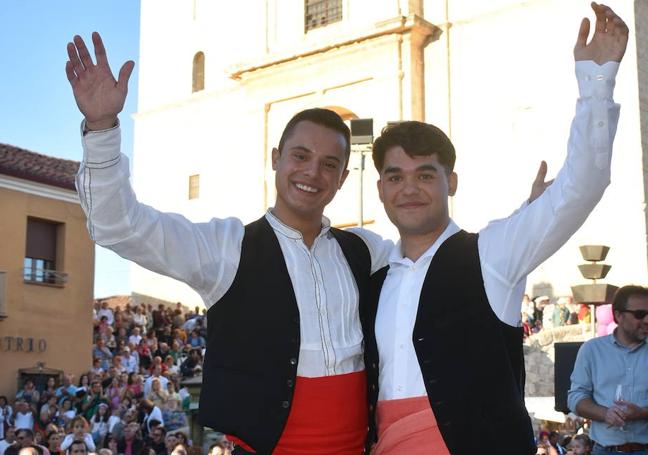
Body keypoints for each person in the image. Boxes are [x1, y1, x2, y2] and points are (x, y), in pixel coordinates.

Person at [65, 29, 398, 453]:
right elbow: (118, 225)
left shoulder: (369, 253)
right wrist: (101, 128)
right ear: (276, 159)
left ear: (343, 179)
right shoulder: (226, 247)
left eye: (329, 164)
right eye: (300, 156)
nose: (313, 173)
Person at [363, 3, 628, 454]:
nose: (409, 188)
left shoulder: (493, 253)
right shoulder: (372, 270)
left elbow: (581, 185)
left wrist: (597, 79)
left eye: (425, 174)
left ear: (452, 182)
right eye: (395, 176)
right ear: (381, 189)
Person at [568, 285, 648, 454]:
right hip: (605, 450)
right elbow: (576, 396)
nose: (647, 320)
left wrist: (641, 413)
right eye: (640, 314)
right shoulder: (592, 350)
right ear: (618, 315)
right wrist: (605, 414)